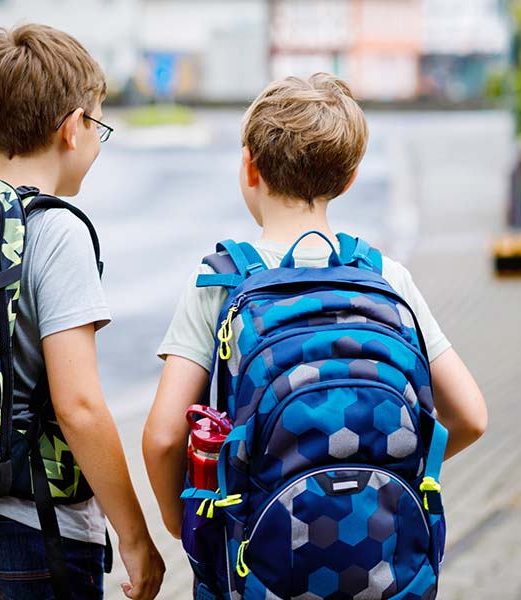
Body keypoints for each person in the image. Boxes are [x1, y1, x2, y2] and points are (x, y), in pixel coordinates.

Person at [143, 73, 487, 543]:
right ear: (348, 180)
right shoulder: (387, 278)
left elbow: (164, 439)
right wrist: (388, 474)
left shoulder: (219, 283)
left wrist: (181, 524)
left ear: (249, 167)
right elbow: (470, 417)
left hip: (256, 554)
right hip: (377, 555)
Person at [0, 24, 164, 600]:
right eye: (99, 125)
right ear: (74, 128)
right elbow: (78, 406)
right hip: (39, 525)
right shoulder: (55, 230)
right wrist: (133, 534)